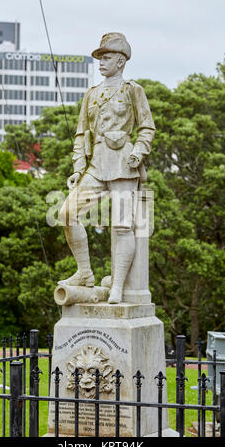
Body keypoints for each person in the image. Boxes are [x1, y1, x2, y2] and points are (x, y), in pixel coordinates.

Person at [59, 32, 155, 304]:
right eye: (100, 57)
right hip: (96, 164)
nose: (101, 62)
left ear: (121, 61)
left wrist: (138, 151)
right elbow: (81, 134)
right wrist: (78, 167)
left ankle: (117, 286)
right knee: (67, 213)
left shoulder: (133, 90)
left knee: (122, 227)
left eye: (107, 57)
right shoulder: (92, 93)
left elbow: (146, 126)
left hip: (124, 164)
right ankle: (85, 273)